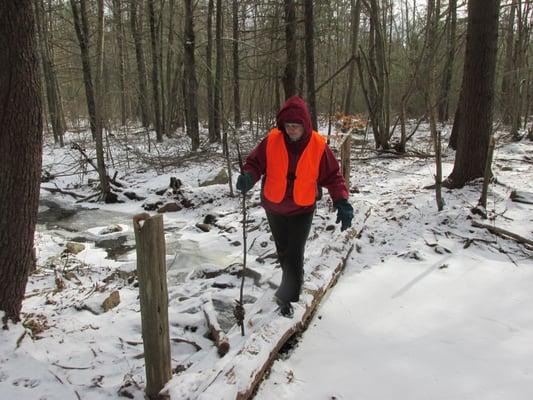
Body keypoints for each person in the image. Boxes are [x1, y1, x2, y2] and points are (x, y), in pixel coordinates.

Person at [236, 95, 354, 318]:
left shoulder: (319, 146)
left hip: (302, 209)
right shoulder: (271, 141)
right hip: (274, 207)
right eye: (287, 126)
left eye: (295, 126)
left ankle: (288, 297)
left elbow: (333, 176)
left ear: (305, 125)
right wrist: (248, 177)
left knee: (295, 252)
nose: (291, 130)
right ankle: (289, 285)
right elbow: (254, 163)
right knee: (283, 251)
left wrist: (342, 201)